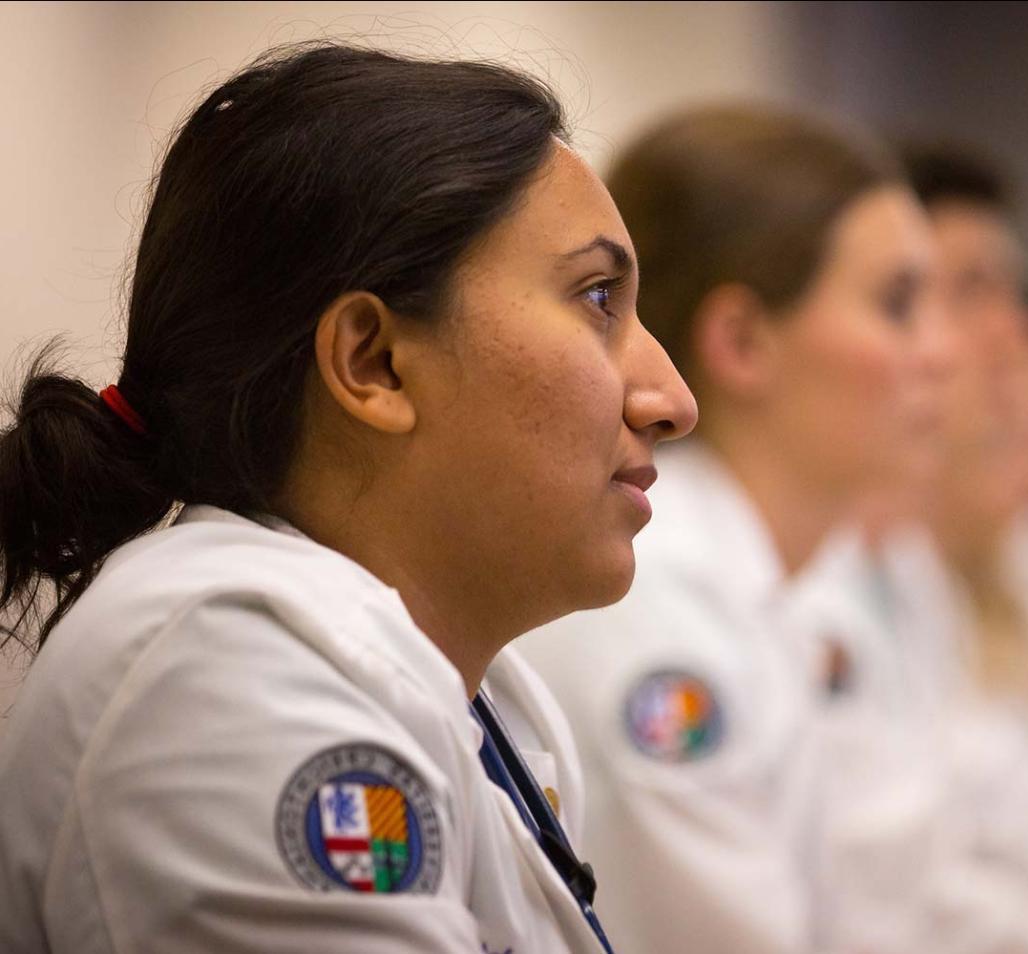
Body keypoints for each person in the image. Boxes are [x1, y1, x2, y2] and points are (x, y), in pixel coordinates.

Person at [0, 43, 696, 954]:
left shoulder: (488, 700)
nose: (672, 402)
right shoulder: (229, 674)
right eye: (598, 297)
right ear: (374, 363)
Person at [518, 103, 963, 954]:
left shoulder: (792, 584)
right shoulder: (651, 599)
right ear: (744, 342)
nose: (941, 354)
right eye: (899, 304)